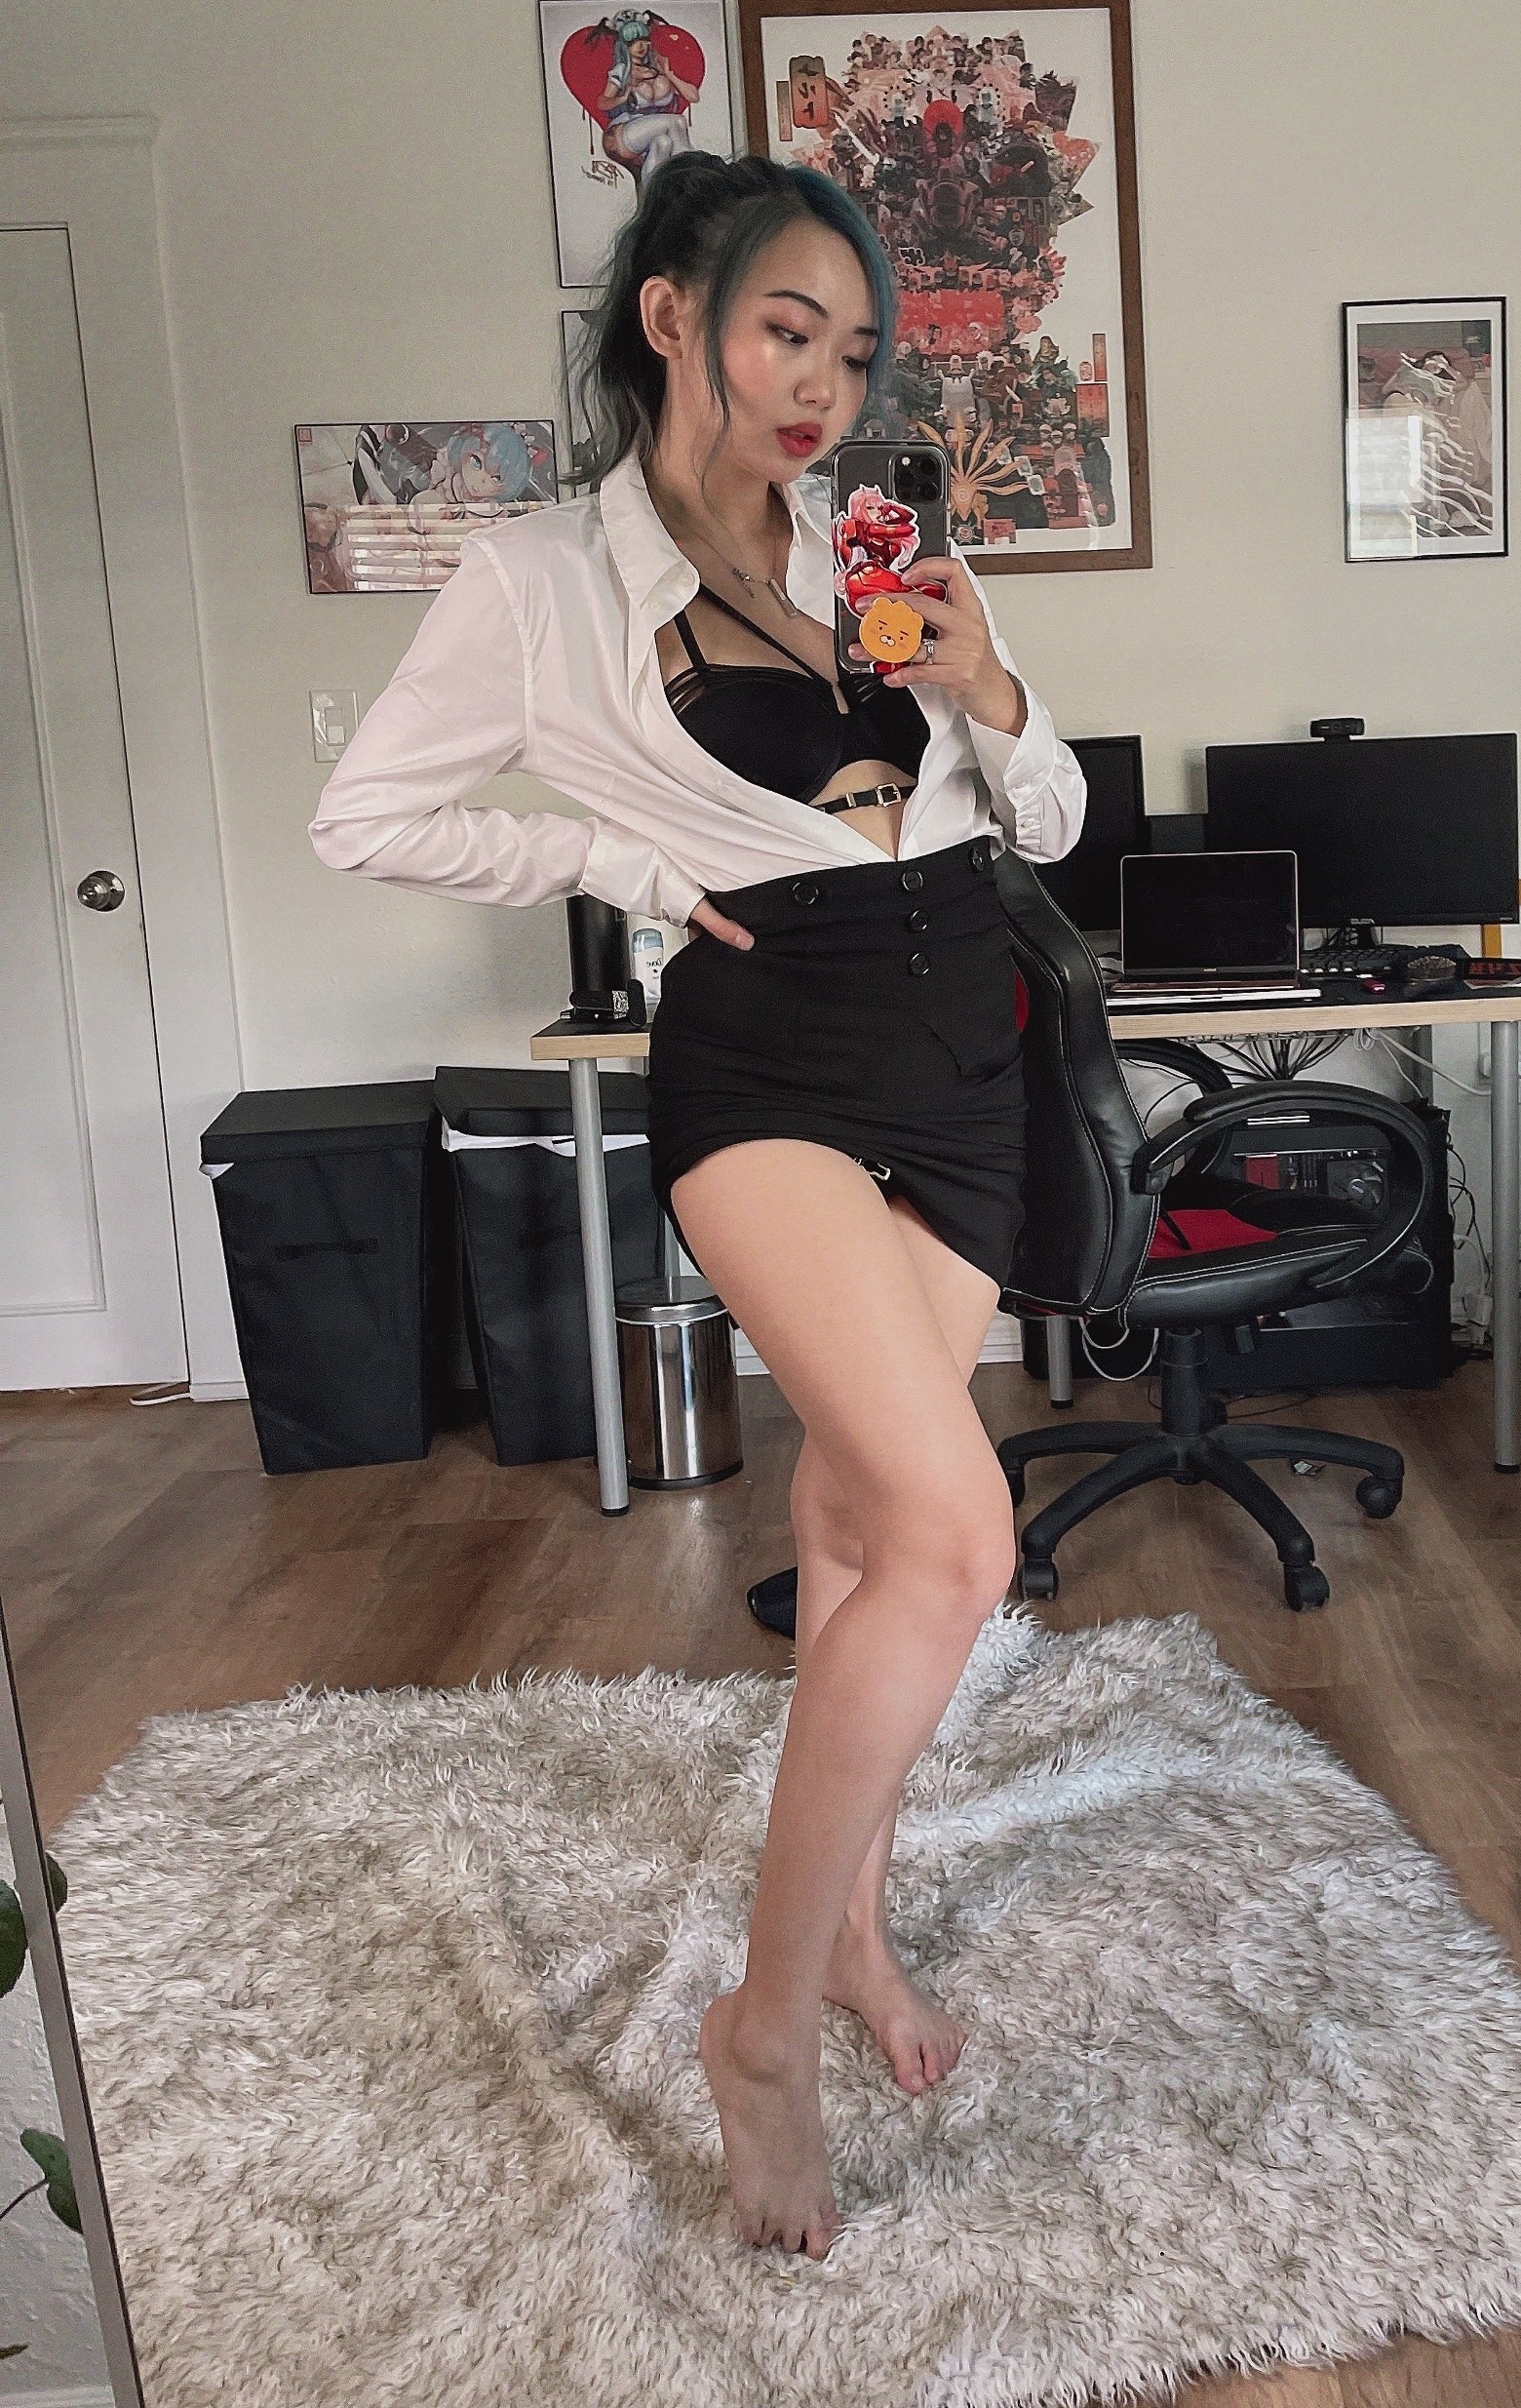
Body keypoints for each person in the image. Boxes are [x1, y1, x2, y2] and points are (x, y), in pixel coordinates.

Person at [307, 150, 1088, 2261]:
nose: (825, 382)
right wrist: (629, 868)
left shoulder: (883, 543)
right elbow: (367, 813)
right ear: (673, 317)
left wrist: (991, 690)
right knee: (957, 1533)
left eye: (855, 347)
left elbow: (1051, 815)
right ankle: (760, 2029)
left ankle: (851, 1937)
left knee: (859, 1523)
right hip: (769, 1050)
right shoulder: (543, 579)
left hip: (966, 1037)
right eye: (783, 331)